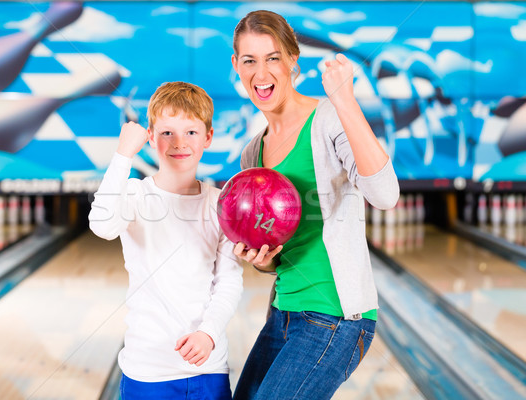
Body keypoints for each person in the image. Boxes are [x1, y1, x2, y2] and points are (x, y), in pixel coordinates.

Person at [229, 10, 400, 400]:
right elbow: (277, 256)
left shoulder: (328, 119)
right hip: (284, 314)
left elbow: (386, 195)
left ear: (293, 60)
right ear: (236, 65)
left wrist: (346, 103)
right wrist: (262, 260)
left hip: (336, 317)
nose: (261, 72)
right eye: (250, 60)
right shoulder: (251, 154)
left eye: (273, 58)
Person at [89, 81, 243, 400]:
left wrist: (208, 334)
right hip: (146, 370)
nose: (178, 143)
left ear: (208, 138)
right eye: (167, 132)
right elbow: (102, 225)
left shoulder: (221, 204)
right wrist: (122, 155)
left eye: (190, 132)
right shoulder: (134, 195)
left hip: (208, 369)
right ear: (150, 136)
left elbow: (228, 283)